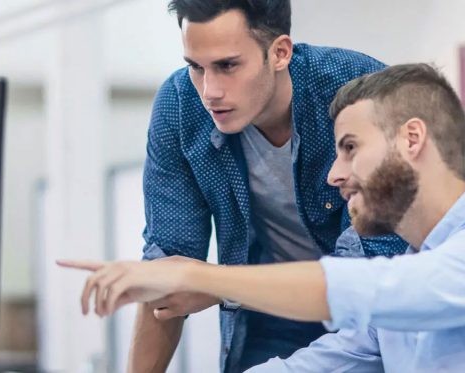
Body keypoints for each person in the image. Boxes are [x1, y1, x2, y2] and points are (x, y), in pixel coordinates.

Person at [61, 63, 465, 372]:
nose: (334, 174)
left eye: (349, 148)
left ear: (411, 139)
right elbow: (320, 361)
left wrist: (190, 275)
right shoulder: (416, 275)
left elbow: (360, 287)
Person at [123, 0, 408, 371]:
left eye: (227, 66)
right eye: (196, 67)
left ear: (279, 52)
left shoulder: (357, 92)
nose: (209, 91)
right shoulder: (181, 105)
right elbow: (167, 268)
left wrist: (218, 284)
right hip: (263, 309)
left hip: (369, 316)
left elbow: (367, 278)